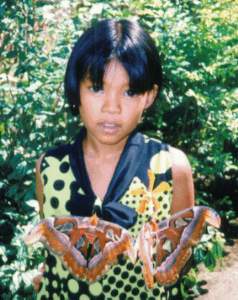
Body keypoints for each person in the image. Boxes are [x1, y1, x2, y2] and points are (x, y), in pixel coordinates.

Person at [35, 19, 194, 300]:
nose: (111, 107)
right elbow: (52, 253)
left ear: (149, 96)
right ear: (77, 89)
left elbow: (177, 267)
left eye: (130, 91)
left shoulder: (171, 167)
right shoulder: (49, 168)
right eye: (97, 87)